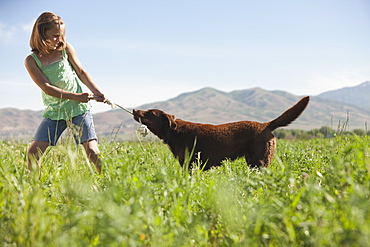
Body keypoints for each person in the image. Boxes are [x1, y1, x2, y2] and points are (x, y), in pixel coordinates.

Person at [25, 12, 105, 173]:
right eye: (55, 36)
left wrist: (96, 91)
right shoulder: (32, 61)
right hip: (54, 112)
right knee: (33, 153)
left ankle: (109, 182)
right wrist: (77, 96)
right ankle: (34, 190)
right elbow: (47, 87)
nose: (60, 39)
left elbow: (81, 72)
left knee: (92, 151)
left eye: (62, 35)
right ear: (41, 34)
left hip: (78, 110)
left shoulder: (65, 49)